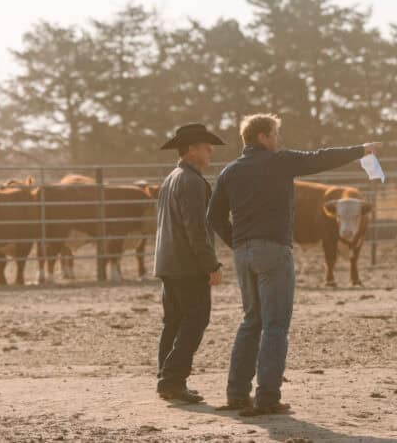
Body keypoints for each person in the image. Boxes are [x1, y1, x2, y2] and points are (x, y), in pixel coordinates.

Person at [207, 113, 382, 416]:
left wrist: (236, 241)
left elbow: (213, 216)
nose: (277, 140)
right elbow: (319, 159)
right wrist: (361, 149)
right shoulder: (280, 161)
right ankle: (267, 397)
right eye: (274, 134)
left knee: (251, 321)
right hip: (274, 249)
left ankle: (236, 393)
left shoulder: (229, 171)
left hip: (243, 253)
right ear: (263, 136)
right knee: (275, 325)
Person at [153, 123, 226, 403]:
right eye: (206, 146)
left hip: (168, 262)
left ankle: (167, 379)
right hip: (187, 265)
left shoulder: (172, 177)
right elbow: (196, 229)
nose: (210, 150)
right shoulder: (192, 182)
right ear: (192, 149)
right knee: (196, 319)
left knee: (172, 322)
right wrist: (211, 264)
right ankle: (172, 379)